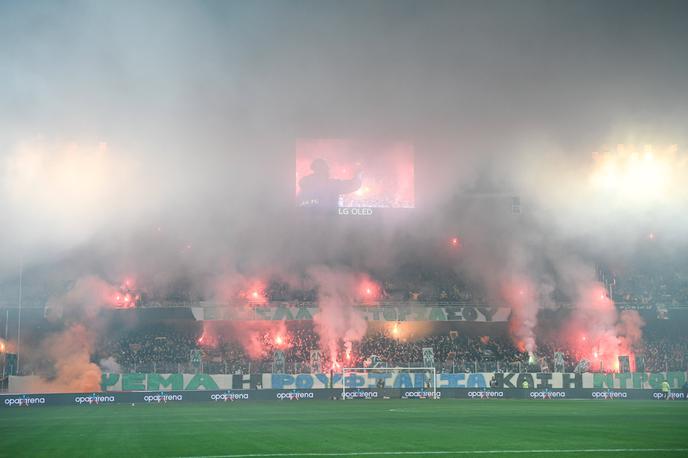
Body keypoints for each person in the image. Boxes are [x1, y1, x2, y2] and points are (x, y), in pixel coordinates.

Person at [298, 158, 362, 209]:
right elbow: (352, 185)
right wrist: (358, 176)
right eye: (327, 168)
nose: (329, 170)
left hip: (308, 222)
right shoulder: (331, 185)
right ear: (323, 169)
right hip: (329, 220)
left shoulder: (305, 184)